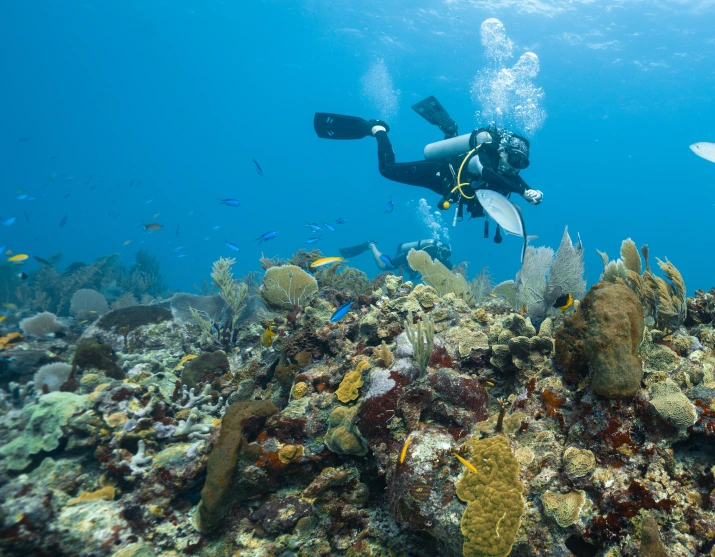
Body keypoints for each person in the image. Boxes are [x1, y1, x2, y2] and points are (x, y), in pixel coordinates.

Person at [314, 96, 543, 242]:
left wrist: (530, 190)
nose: (516, 167)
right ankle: (377, 129)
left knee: (456, 149)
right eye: (513, 159)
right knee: (387, 169)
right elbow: (487, 173)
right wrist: (524, 192)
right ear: (502, 152)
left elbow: (514, 182)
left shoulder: (510, 174)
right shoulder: (483, 158)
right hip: (440, 174)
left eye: (522, 164)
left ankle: (450, 129)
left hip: (453, 183)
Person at [339, 238, 452, 280]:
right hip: (408, 257)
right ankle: (371, 245)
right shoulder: (430, 248)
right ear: (440, 250)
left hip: (413, 262)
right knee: (383, 266)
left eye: (447, 255)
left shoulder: (442, 258)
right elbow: (418, 258)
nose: (444, 257)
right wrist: (412, 270)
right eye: (444, 254)